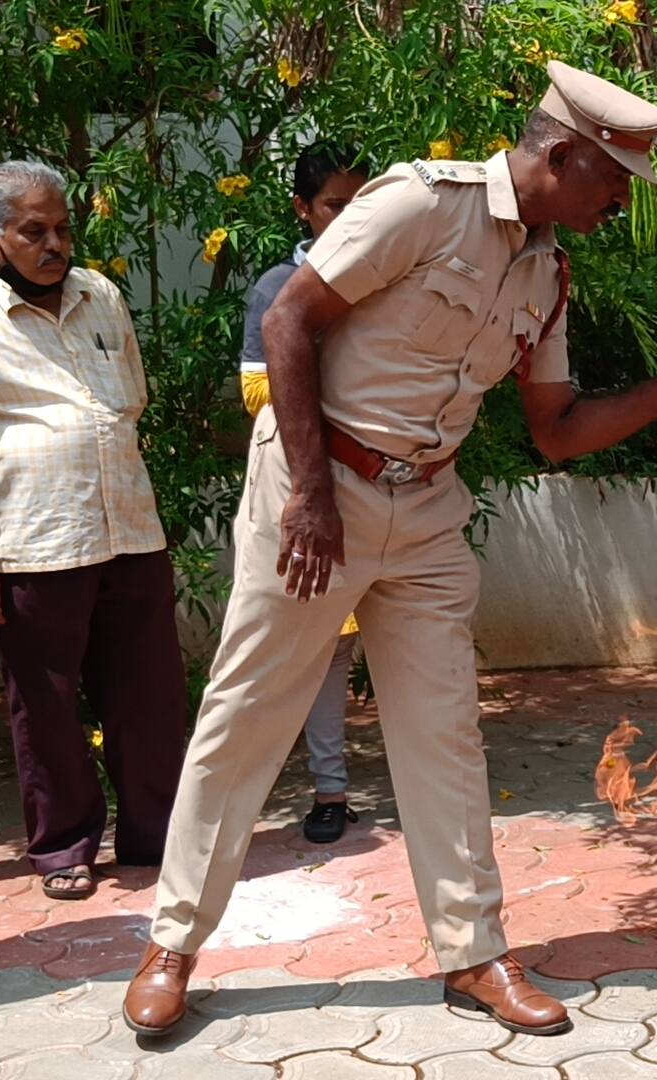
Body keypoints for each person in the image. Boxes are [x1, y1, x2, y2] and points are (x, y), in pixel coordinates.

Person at [120, 61, 657, 1038]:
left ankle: (473, 956)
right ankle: (171, 946)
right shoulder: (422, 204)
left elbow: (556, 428)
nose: (620, 202)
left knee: (446, 738)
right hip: (316, 488)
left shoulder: (548, 271)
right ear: (560, 153)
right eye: (615, 179)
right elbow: (291, 318)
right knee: (246, 719)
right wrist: (307, 495)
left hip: (424, 508)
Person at [0, 160, 186, 903]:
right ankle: (64, 846)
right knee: (47, 706)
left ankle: (156, 836)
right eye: (35, 231)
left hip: (129, 529)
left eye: (63, 227)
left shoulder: (102, 296)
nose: (55, 243)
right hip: (35, 542)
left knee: (149, 696)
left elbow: (129, 398)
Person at [238, 141, 372, 845]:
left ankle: (335, 788)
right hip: (301, 487)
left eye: (360, 204)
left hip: (378, 490)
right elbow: (255, 386)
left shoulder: (384, 276)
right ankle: (264, 795)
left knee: (344, 654)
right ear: (302, 209)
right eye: (333, 206)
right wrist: (317, 379)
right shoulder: (278, 286)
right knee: (292, 650)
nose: (348, 219)